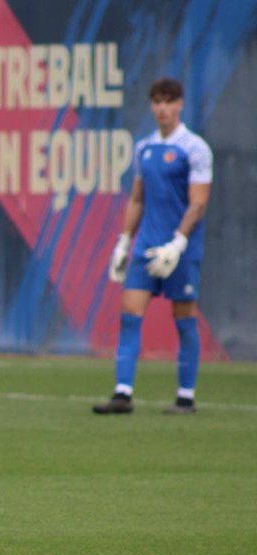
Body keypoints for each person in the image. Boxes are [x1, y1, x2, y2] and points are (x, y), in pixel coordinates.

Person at [94, 77, 212, 415]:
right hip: (146, 244)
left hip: (181, 247)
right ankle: (122, 393)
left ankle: (186, 396)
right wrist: (123, 241)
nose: (162, 108)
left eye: (168, 101)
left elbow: (198, 203)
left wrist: (178, 242)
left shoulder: (195, 148)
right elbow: (137, 199)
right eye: (157, 101)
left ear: (180, 105)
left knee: (184, 318)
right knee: (130, 313)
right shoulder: (144, 148)